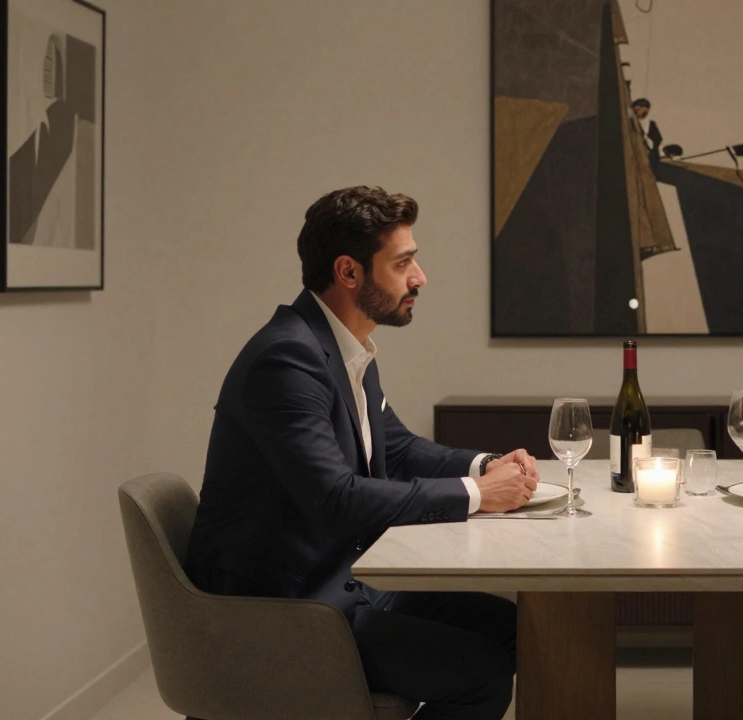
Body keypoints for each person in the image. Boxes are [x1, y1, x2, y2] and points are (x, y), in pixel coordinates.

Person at [184, 186, 539, 719]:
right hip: (286, 612)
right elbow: (336, 500)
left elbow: (397, 447)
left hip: (343, 580)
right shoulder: (286, 360)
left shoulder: (345, 350)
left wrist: (484, 466)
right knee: (481, 673)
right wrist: (476, 495)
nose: (420, 278)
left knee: (517, 630)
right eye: (403, 263)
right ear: (349, 273)